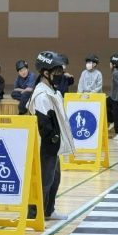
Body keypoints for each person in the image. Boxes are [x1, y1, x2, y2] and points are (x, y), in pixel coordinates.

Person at [27, 51, 75, 221]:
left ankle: (48, 211)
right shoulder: (41, 94)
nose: (60, 75)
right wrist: (53, 137)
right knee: (44, 180)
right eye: (57, 72)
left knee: (54, 179)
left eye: (61, 71)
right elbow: (44, 124)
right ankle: (34, 214)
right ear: (46, 73)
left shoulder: (52, 91)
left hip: (54, 145)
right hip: (45, 146)